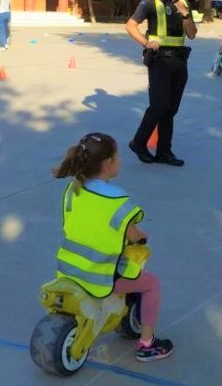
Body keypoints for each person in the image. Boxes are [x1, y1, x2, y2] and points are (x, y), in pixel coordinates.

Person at [53, 132, 173, 362]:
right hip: (100, 273)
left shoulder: (73, 190)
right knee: (151, 284)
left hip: (68, 267)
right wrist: (140, 237)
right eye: (118, 156)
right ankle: (147, 344)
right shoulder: (117, 201)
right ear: (109, 164)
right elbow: (132, 233)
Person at [125, 0, 197, 166]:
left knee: (171, 109)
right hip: (159, 61)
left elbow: (192, 34)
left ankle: (164, 151)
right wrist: (146, 42)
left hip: (179, 62)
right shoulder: (151, 2)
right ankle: (138, 143)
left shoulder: (184, 4)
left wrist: (186, 16)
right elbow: (130, 25)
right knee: (159, 106)